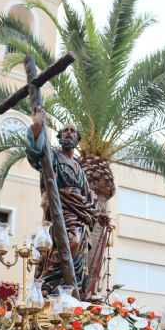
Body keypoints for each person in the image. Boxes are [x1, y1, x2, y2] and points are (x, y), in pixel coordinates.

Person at [26, 108, 103, 295]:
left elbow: (87, 194)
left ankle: (69, 291)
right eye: (65, 130)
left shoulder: (79, 167)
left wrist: (99, 211)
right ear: (60, 137)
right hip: (60, 208)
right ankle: (47, 286)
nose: (69, 133)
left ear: (77, 139)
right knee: (69, 242)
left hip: (79, 214)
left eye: (73, 131)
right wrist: (36, 126)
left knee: (79, 251)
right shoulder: (51, 155)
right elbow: (35, 155)